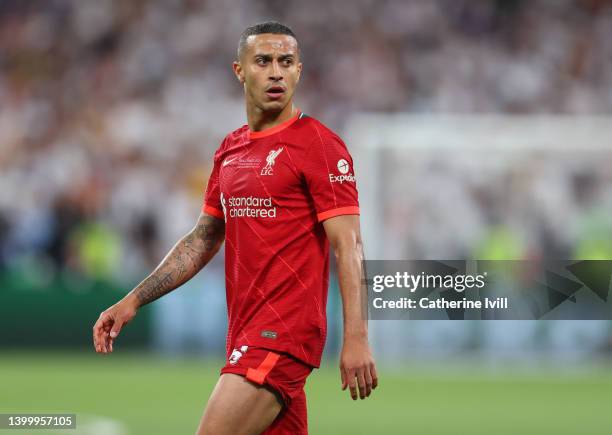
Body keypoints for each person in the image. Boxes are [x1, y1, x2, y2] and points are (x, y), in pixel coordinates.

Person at [92, 21, 377, 435]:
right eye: (263, 61)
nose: (276, 72)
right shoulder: (231, 149)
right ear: (240, 71)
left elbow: (348, 245)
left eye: (287, 62)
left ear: (300, 70)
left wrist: (356, 337)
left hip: (282, 335)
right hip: (244, 330)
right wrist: (134, 300)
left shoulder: (319, 145)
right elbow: (202, 238)